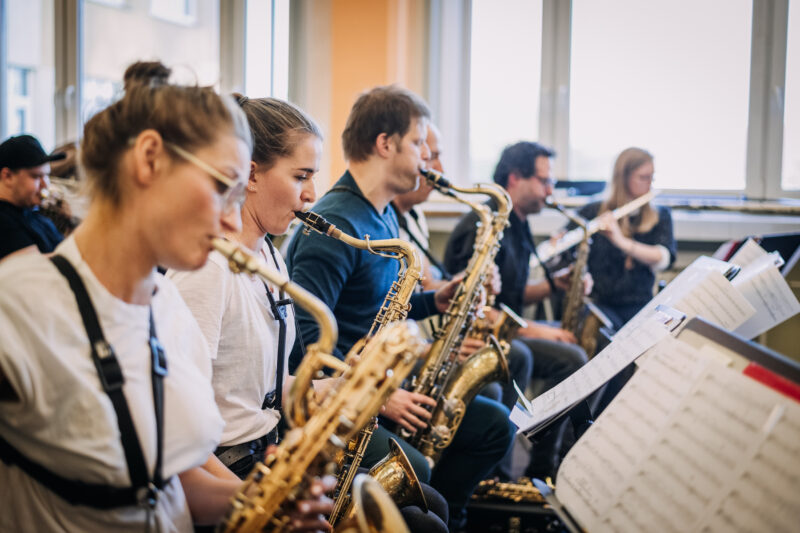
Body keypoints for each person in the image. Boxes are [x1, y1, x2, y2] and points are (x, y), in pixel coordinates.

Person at [0, 62, 329, 532]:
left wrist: (264, 498)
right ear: (150, 158)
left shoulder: (168, 308)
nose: (233, 222)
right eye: (221, 188)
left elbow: (168, 487)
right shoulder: (18, 307)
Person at [286, 85, 514, 530]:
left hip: (384, 382)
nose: (426, 162)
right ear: (385, 144)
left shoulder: (382, 212)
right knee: (420, 470)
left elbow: (379, 306)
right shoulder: (335, 225)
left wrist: (437, 297)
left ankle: (448, 515)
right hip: (343, 397)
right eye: (417, 145)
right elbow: (308, 345)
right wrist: (383, 399)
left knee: (494, 424)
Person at [444, 141, 588, 480]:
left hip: (507, 328)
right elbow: (478, 308)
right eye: (544, 180)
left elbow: (512, 292)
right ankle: (530, 468)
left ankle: (544, 462)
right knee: (571, 358)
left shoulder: (518, 221)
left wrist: (556, 285)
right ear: (514, 179)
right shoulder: (484, 224)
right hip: (480, 337)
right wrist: (540, 330)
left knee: (575, 343)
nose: (550, 190)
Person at [571, 147, 676, 330]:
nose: (649, 183)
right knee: (599, 332)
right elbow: (569, 252)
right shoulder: (593, 211)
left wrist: (620, 241)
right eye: (643, 177)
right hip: (599, 304)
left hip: (639, 304)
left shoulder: (660, 214)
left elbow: (664, 258)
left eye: (652, 177)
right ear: (623, 177)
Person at [0, 134, 66, 260]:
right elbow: (35, 267)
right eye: (36, 177)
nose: (45, 184)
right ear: (7, 176)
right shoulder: (4, 222)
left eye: (46, 175)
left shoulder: (38, 218)